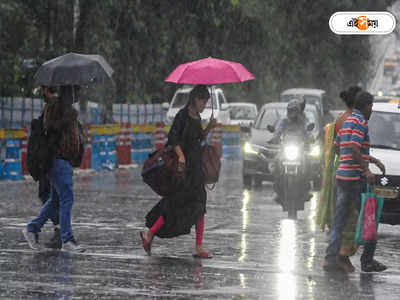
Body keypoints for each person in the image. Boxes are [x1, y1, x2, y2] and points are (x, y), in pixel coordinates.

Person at [140, 85, 217, 258]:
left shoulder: (196, 116)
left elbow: (198, 138)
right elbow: (173, 139)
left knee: (200, 204)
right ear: (195, 99)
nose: (205, 104)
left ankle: (199, 246)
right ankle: (150, 234)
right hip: (183, 170)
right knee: (174, 205)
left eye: (206, 101)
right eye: (203, 100)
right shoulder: (182, 115)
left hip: (196, 169)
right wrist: (181, 156)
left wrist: (209, 128)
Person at [323, 91, 387, 273]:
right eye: (371, 106)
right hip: (354, 179)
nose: (372, 110)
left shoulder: (348, 121)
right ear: (366, 106)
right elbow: (353, 146)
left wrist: (371, 160)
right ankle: (367, 260)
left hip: (342, 177)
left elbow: (338, 147)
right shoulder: (360, 122)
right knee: (370, 217)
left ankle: (330, 259)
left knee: (339, 220)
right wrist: (365, 170)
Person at [23, 86, 85, 252]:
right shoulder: (55, 105)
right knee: (67, 199)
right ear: (67, 93)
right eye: (75, 93)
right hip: (57, 160)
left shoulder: (67, 109)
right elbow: (50, 127)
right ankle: (67, 240)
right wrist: (69, 117)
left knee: (56, 200)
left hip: (65, 161)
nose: (77, 96)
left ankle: (32, 228)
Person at [317, 86, 361, 272]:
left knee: (340, 214)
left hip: (338, 168)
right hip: (349, 171)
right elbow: (352, 147)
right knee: (349, 215)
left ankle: (334, 256)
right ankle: (341, 255)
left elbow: (335, 147)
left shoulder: (340, 119)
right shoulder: (353, 120)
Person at [38, 86, 62, 249]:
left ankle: (59, 227)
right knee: (53, 195)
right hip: (53, 158)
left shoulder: (53, 106)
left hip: (51, 158)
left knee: (47, 194)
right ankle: (59, 227)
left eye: (42, 90)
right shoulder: (57, 105)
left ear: (47, 90)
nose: (41, 93)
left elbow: (49, 131)